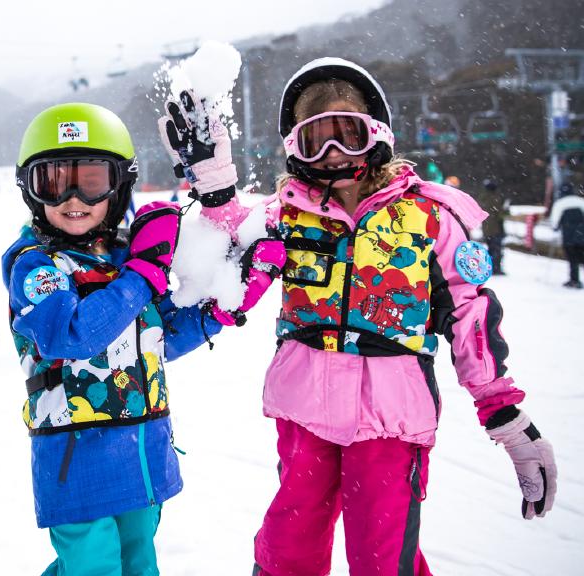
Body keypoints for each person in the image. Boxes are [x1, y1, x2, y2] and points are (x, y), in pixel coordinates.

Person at [248, 58, 557, 575]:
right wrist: (211, 183)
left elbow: (468, 311)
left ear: (376, 134)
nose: (333, 154)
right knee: (287, 548)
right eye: (315, 139)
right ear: (293, 148)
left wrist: (501, 411)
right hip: (304, 406)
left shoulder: (425, 216)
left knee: (381, 553)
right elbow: (222, 265)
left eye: (347, 133)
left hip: (392, 412)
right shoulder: (283, 216)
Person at [2, 103, 280, 575]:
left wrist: (220, 311)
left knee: (137, 562)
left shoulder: (125, 261)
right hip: (75, 455)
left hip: (142, 446)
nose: (73, 198)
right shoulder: (35, 265)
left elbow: (160, 337)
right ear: (31, 191)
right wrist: (144, 274)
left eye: (91, 181)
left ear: (120, 184)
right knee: (93, 567)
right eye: (52, 182)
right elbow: (71, 335)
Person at [550, 181, 584, 289]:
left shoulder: (560, 204)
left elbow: (554, 223)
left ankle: (574, 280)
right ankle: (575, 280)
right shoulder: (580, 201)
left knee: (573, 260)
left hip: (568, 237)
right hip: (582, 236)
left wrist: (557, 228)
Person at [479, 178, 507, 275]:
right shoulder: (496, 198)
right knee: (496, 250)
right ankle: (495, 269)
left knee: (490, 249)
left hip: (486, 229)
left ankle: (489, 268)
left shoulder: (483, 198)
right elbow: (501, 214)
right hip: (496, 229)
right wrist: (506, 209)